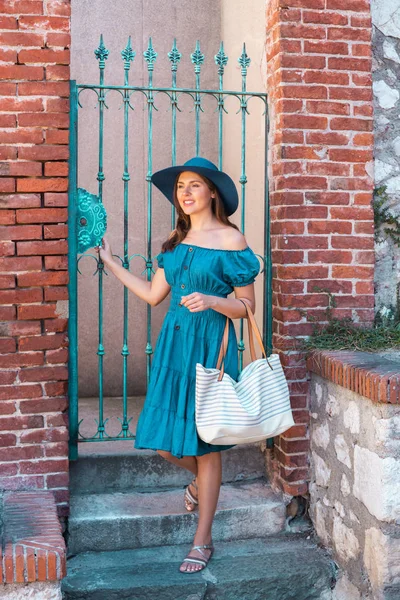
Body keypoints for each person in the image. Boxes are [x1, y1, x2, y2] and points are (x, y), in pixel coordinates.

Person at [96, 156, 260, 573]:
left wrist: (212, 300)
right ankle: (199, 484)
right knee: (167, 443)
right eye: (181, 187)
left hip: (210, 348)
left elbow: (247, 307)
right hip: (174, 348)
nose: (185, 193)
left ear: (212, 193)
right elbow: (154, 296)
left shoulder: (232, 241)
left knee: (205, 444)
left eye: (194, 185)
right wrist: (112, 263)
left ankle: (202, 541)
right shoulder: (175, 244)